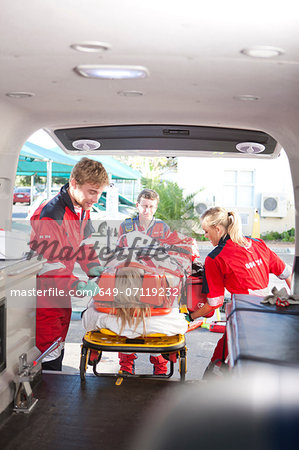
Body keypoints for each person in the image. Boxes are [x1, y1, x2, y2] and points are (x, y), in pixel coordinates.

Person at [187, 206, 292, 376]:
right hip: (272, 315)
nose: (205, 236)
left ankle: (214, 381)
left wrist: (190, 317)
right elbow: (286, 272)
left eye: (206, 231)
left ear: (218, 229)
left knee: (224, 358)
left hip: (244, 316)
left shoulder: (215, 258)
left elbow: (215, 303)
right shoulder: (257, 243)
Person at [30, 157, 109, 370]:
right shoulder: (50, 215)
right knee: (48, 353)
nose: (96, 198)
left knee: (59, 345)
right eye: (92, 191)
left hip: (61, 293)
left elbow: (84, 244)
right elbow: (49, 268)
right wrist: (78, 285)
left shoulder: (82, 208)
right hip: (45, 296)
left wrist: (93, 266)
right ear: (73, 183)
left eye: (100, 192)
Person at [82, 265, 188, 375]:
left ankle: (126, 366)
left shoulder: (101, 316)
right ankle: (160, 366)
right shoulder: (165, 318)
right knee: (161, 338)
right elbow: (182, 326)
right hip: (155, 333)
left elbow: (87, 322)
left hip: (116, 333)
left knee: (123, 338)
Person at [117, 188, 172, 374]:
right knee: (129, 317)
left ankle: (160, 365)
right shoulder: (126, 225)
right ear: (137, 205)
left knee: (154, 321)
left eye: (151, 207)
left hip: (153, 278)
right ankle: (126, 365)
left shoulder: (162, 227)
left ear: (155, 208)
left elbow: (166, 254)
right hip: (131, 277)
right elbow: (118, 251)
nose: (147, 210)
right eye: (144, 206)